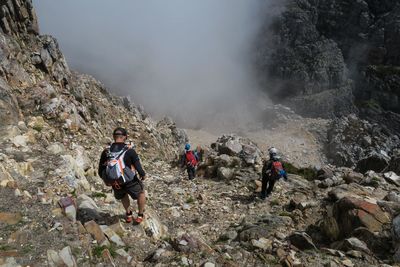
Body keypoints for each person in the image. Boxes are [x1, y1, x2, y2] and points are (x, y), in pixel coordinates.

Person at [98, 127, 147, 224]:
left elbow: (100, 169)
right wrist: (143, 175)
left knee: (123, 195)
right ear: (125, 137)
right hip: (129, 181)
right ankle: (140, 215)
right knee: (141, 193)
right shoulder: (129, 150)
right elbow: (138, 166)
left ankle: (128, 214)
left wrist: (107, 181)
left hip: (115, 182)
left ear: (113, 136)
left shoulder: (106, 151)